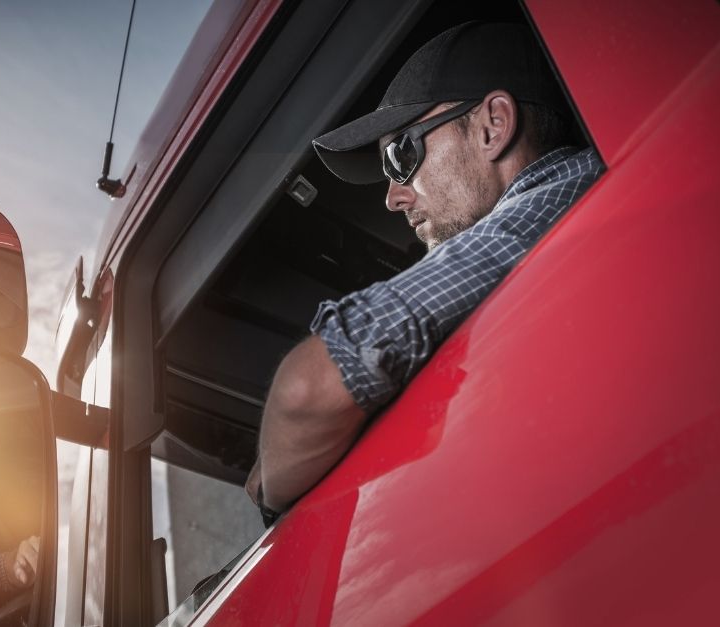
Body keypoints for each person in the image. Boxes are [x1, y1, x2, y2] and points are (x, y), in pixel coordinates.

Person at [245, 21, 605, 521]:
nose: (393, 197)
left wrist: (269, 489)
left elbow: (311, 387)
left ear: (492, 124)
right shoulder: (564, 213)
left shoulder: (551, 198)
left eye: (401, 155)